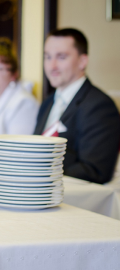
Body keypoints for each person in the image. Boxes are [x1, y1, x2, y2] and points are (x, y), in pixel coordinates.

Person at [34, 28, 120, 184]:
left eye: (61, 57)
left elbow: (95, 169)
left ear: (82, 61)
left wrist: (40, 177)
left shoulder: (100, 106)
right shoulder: (47, 102)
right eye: (47, 57)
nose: (51, 66)